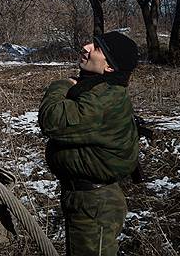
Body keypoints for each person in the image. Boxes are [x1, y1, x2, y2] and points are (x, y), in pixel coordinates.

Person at [38, 31, 140, 255]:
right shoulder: (100, 89)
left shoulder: (102, 99)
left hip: (94, 205)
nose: (86, 47)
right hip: (89, 200)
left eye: (97, 48)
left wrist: (61, 85)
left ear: (110, 68)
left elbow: (52, 120)